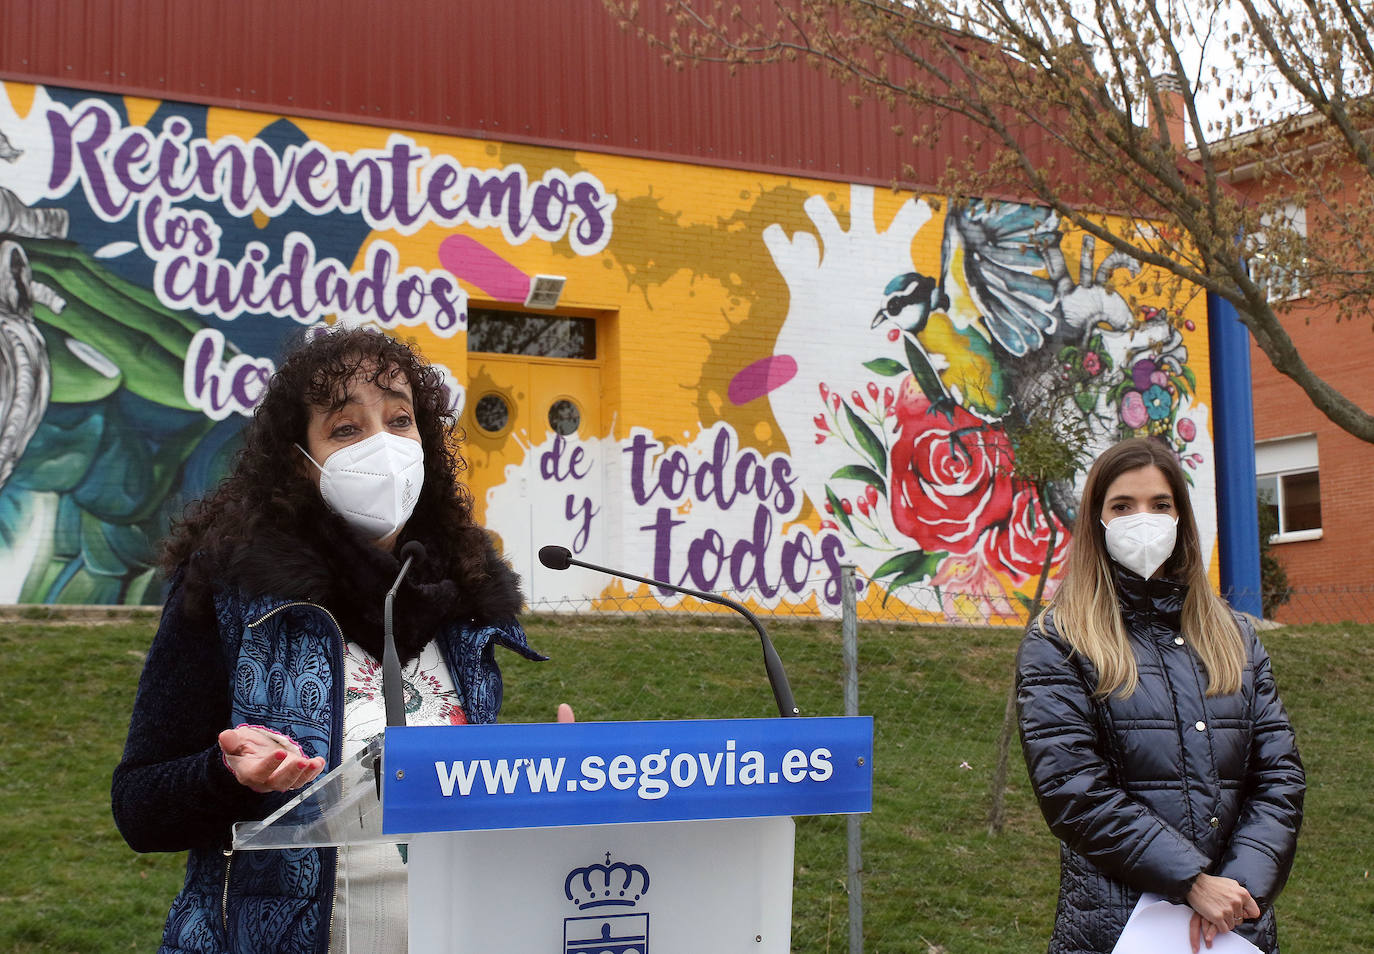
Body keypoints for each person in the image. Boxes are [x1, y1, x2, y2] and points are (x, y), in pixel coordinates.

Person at [113, 326, 551, 954]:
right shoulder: (235, 588)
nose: (384, 445)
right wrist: (232, 776)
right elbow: (140, 808)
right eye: (346, 429)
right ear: (301, 460)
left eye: (401, 420)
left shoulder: (461, 598)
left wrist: (553, 774)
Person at [1016, 437, 1304, 954]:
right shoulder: (1061, 640)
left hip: (1236, 927)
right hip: (1114, 926)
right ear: (1097, 522)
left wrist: (1239, 888)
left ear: (1181, 519)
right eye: (1122, 506)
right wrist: (1192, 883)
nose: (1142, 519)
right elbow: (1072, 788)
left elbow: (1279, 778)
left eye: (1160, 505)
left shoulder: (1235, 637)